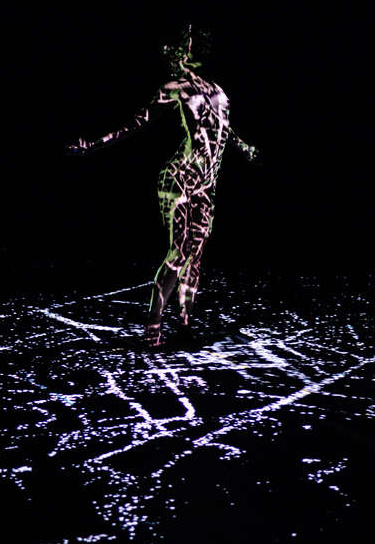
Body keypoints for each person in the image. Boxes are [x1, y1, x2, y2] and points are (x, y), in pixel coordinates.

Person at [67, 25, 261, 347]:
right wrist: (94, 145)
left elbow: (224, 129)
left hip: (206, 183)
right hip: (180, 178)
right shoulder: (176, 88)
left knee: (195, 255)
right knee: (180, 251)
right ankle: (153, 326)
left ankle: (184, 324)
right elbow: (135, 124)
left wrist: (245, 147)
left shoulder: (220, 93)